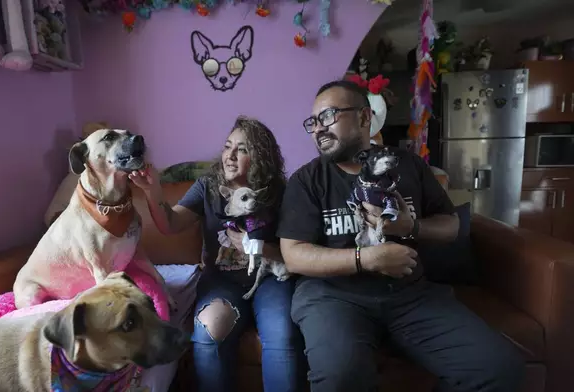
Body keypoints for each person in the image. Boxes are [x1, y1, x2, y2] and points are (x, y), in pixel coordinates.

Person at [277, 80, 524, 392]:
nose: (318, 129)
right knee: (341, 378)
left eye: (329, 116)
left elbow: (451, 226)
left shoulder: (407, 166)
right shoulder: (307, 180)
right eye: (313, 122)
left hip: (410, 296)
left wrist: (412, 227)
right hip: (333, 298)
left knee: (500, 369)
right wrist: (365, 259)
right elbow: (294, 253)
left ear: (365, 118)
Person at [129, 116, 303, 392]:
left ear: (261, 158)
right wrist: (152, 192)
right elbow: (170, 224)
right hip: (222, 281)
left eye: (242, 149)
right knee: (209, 328)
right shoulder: (208, 186)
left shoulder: (280, 192)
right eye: (227, 146)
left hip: (271, 279)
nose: (230, 156)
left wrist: (253, 245)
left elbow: (294, 253)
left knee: (281, 333)